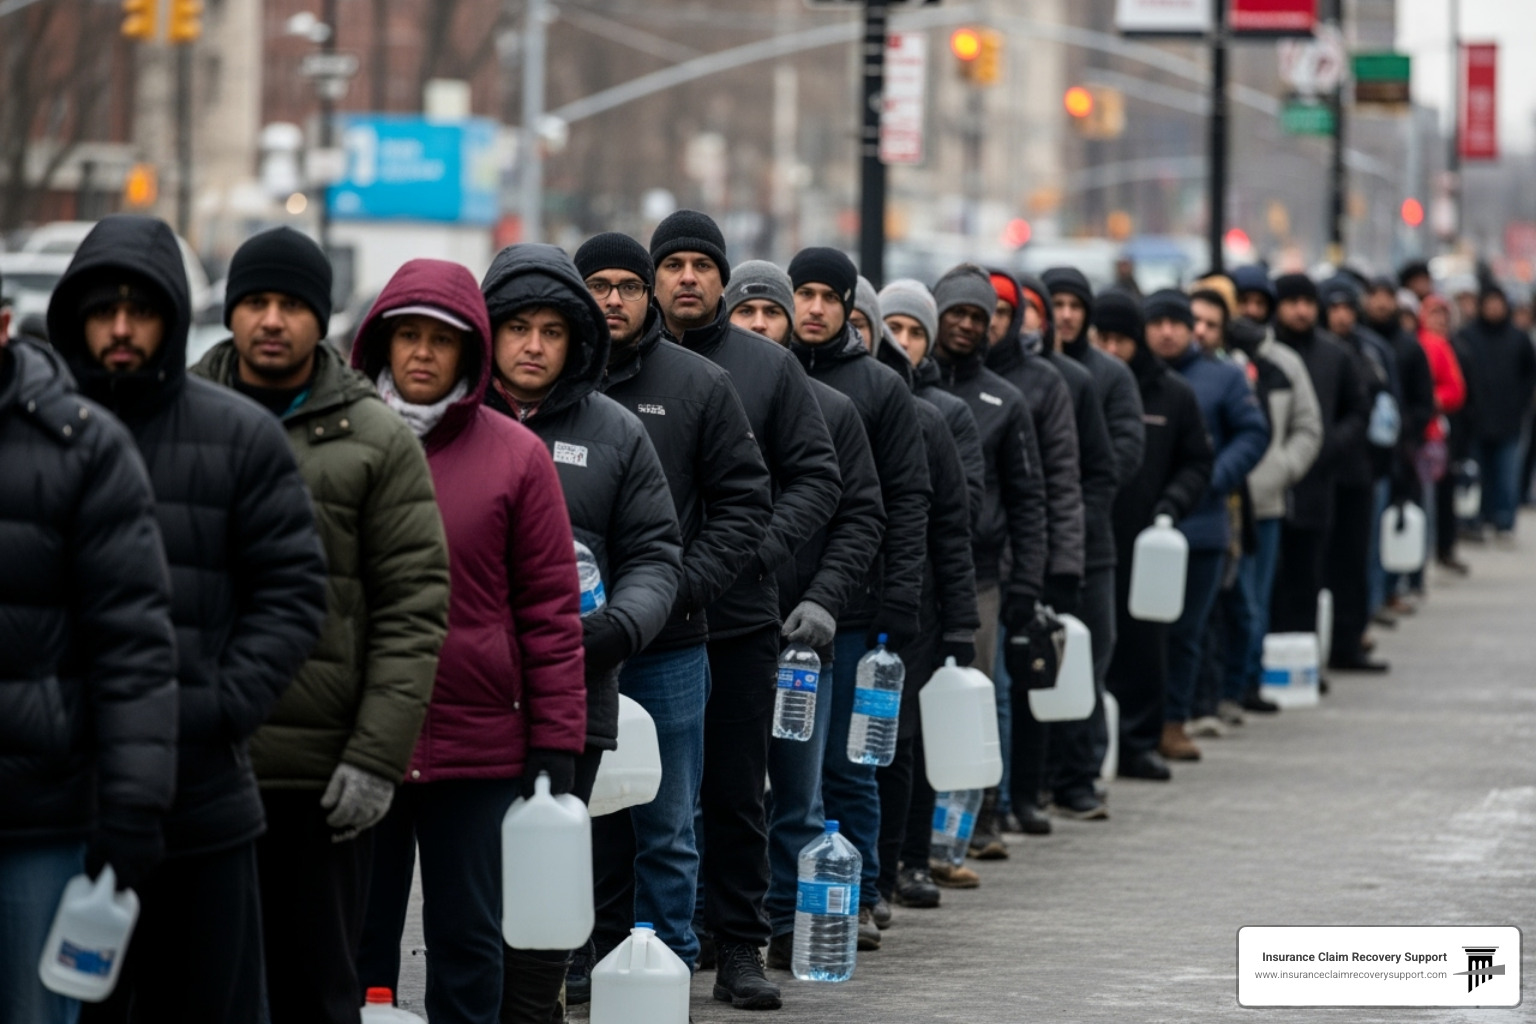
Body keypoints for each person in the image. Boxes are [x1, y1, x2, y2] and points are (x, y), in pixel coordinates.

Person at [48, 216, 327, 1024]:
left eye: (143, 310)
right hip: (63, 797)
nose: (124, 330)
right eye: (104, 311)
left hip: (203, 798)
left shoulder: (238, 435)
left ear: (173, 316)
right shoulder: (35, 434)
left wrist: (216, 706)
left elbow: (292, 592)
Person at [189, 228, 452, 1024]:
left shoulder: (376, 440)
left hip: (321, 781)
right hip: (196, 764)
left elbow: (413, 608)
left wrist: (376, 757)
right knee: (203, 987)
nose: (273, 321)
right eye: (257, 303)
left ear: (321, 317)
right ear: (231, 313)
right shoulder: (178, 420)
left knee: (316, 991)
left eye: (293, 305)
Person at [353, 259, 588, 1024]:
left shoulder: (516, 457)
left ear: (469, 353)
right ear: (381, 342)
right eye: (407, 335)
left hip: (482, 745)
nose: (422, 353)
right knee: (357, 941)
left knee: (468, 942)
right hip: (362, 741)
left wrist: (556, 739)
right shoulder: (341, 441)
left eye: (442, 340)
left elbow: (549, 611)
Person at [480, 243, 685, 1017]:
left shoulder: (616, 432)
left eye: (552, 331)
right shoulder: (450, 424)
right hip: (465, 699)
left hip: (574, 696)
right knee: (472, 895)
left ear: (577, 341)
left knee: (547, 890)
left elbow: (656, 554)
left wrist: (618, 627)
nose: (534, 346)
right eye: (517, 328)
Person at [649, 211, 841, 1010]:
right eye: (674, 265)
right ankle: (628, 943)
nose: (688, 277)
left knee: (735, 791)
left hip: (736, 621)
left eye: (703, 264)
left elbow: (817, 477)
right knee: (640, 795)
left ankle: (738, 947)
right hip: (639, 625)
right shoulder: (613, 369)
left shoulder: (768, 369)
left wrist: (756, 551)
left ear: (725, 279)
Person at [577, 232, 773, 998]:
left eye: (628, 284)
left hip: (673, 640)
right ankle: (580, 958)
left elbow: (743, 501)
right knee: (582, 812)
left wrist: (683, 586)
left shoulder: (697, 383)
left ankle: (671, 965)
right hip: (578, 644)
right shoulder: (552, 378)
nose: (616, 299)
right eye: (601, 285)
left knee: (667, 818)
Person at [0, 280, 177, 1024]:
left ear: (5, 324)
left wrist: (133, 806)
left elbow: (131, 641)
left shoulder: (81, 446)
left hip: (38, 814)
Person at [724, 261, 887, 963]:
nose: (760, 324)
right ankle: (710, 925)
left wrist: (823, 599)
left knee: (797, 793)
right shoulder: (699, 395)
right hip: (715, 628)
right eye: (747, 312)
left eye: (772, 312)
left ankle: (791, 924)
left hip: (798, 638)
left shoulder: (833, 409)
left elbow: (862, 517)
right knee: (717, 795)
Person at [783, 250, 929, 950]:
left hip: (856, 609)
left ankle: (860, 891)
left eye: (827, 297)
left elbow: (904, 502)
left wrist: (899, 603)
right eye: (802, 294)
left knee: (847, 764)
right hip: (782, 606)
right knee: (789, 771)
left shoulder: (879, 389)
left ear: (849, 308)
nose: (813, 308)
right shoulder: (769, 377)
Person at [928, 263, 1048, 867]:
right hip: (917, 572)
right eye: (959, 313)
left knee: (981, 695)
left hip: (982, 575)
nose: (970, 325)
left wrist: (1027, 581)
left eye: (981, 317)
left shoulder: (1008, 401)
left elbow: (1029, 499)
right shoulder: (909, 388)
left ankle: (978, 817)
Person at [995, 271, 1120, 823]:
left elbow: (1078, 477)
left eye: (1011, 311)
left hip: (1052, 552)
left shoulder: (1062, 381)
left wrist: (1064, 557)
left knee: (1047, 676)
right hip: (992, 557)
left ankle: (1051, 784)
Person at [1142, 289, 1267, 760]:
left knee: (1186, 632)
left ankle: (1175, 720)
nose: (1170, 332)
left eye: (1180, 322)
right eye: (1160, 322)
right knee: (1142, 635)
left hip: (1201, 526)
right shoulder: (1134, 376)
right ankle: (1142, 723)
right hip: (1142, 525)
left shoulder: (1224, 377)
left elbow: (1253, 434)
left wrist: (1213, 478)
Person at [1092, 289, 1212, 781]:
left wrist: (1171, 505)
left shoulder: (1173, 392)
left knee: (1145, 643)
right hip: (1092, 535)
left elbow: (1197, 461)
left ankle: (1140, 740)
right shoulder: (1081, 384)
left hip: (1146, 537)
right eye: (1106, 338)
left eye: (1123, 338)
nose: (1114, 349)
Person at [1225, 268, 1323, 720]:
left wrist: (1281, 469)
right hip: (1221, 499)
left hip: (1265, 502)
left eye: (1258, 302)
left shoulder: (1284, 363)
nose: (1249, 310)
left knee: (1255, 599)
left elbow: (1308, 427)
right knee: (1228, 599)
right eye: (1241, 300)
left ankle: (1247, 680)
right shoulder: (1217, 358)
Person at [1267, 274, 1371, 650]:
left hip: (1319, 484)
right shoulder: (1269, 353)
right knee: (1271, 580)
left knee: (1310, 577)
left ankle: (1305, 658)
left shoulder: (1334, 354)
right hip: (1272, 484)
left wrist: (1328, 446)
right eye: (1292, 302)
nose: (1301, 310)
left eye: (1308, 303)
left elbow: (1358, 410)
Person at [1319, 276, 1395, 673]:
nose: (1342, 316)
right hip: (1318, 474)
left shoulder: (1369, 352)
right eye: (1334, 308)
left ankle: (1348, 640)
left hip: (1358, 472)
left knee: (1353, 563)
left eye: (1348, 308)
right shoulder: (1316, 352)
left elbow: (1382, 411)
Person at [1455, 282, 1536, 540]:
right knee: (1478, 475)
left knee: (1506, 475)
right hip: (1476, 419)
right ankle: (1475, 519)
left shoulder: (1518, 337)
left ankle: (1503, 520)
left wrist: (1520, 403)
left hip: (1509, 419)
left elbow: (1529, 375)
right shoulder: (1467, 336)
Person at [1417, 295, 1469, 574]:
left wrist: (1434, 398)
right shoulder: (1425, 344)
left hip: (1438, 431)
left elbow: (1456, 390)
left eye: (1443, 316)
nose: (1439, 321)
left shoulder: (1446, 345)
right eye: (1434, 314)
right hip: (1425, 432)